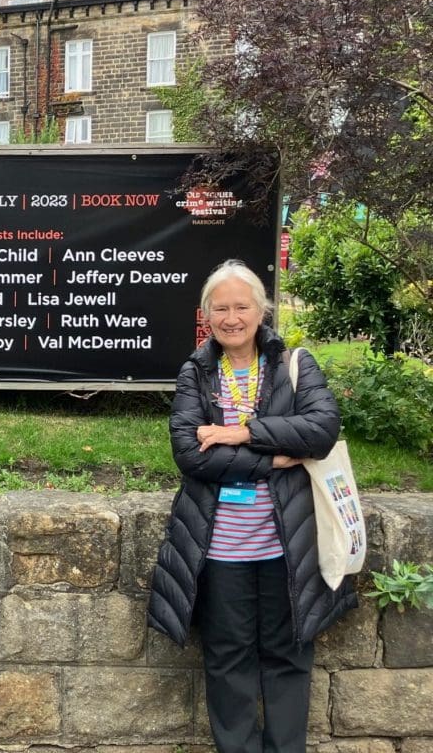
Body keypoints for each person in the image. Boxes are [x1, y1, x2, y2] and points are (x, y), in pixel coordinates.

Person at [148, 259, 356, 753]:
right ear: (207, 316)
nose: (232, 317)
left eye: (242, 305)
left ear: (261, 309)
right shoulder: (194, 373)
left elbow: (321, 431)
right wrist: (277, 458)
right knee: (227, 658)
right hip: (220, 549)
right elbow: (190, 455)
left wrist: (239, 433)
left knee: (289, 657)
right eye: (220, 308)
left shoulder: (295, 365)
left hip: (289, 546)